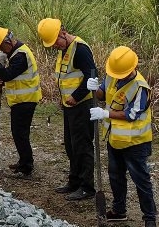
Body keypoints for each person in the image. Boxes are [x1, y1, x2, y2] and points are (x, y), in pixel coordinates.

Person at [88, 46, 157, 226]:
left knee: (141, 180)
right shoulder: (113, 74)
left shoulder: (140, 87)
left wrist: (105, 114)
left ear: (132, 68)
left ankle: (150, 218)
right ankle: (119, 211)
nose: (118, 77)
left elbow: (131, 114)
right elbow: (102, 94)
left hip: (135, 142)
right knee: (115, 176)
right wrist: (94, 88)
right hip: (115, 138)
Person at [37, 17, 96, 201]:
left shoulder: (80, 50)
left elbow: (92, 77)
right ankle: (74, 181)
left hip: (82, 105)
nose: (55, 46)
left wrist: (76, 96)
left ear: (63, 32)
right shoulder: (64, 50)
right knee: (71, 145)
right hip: (69, 106)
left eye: (56, 42)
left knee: (82, 146)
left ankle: (87, 187)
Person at [0, 27, 42, 178]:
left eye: (1, 47)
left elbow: (8, 74)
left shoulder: (20, 55)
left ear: (7, 42)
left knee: (20, 133)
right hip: (22, 99)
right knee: (19, 133)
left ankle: (26, 167)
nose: (1, 50)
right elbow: (13, 76)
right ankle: (24, 161)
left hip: (26, 100)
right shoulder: (17, 53)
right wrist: (5, 80)